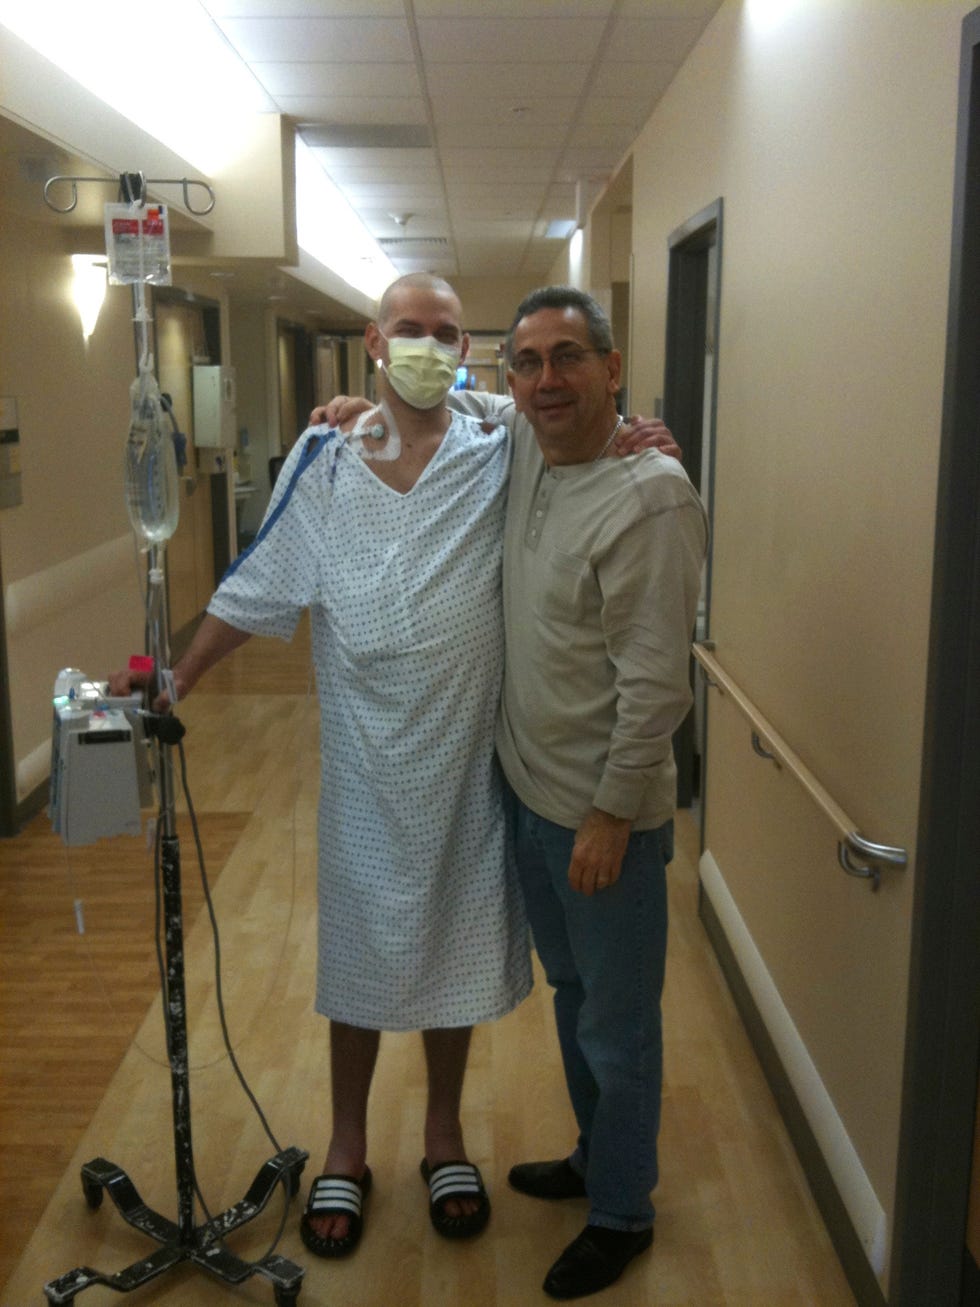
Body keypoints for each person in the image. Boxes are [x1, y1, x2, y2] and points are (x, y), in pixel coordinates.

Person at [111, 274, 535, 1258]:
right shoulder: (328, 451)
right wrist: (179, 672)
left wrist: (643, 434)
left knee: (453, 937)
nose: (427, 347)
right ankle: (346, 1141)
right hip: (363, 753)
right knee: (363, 946)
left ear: (462, 348)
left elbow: (567, 409)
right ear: (373, 339)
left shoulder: (494, 440)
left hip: (465, 750)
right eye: (409, 331)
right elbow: (260, 580)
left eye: (445, 332)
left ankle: (442, 1132)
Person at [446, 287, 708, 1299]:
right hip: (526, 794)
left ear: (611, 366)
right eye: (525, 361)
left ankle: (620, 1208)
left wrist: (608, 813)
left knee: (616, 1022)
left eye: (567, 357)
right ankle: (596, 1154)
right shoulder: (523, 447)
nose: (544, 380)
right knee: (576, 998)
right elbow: (458, 409)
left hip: (602, 821)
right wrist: (355, 409)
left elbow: (655, 688)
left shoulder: (647, 495)